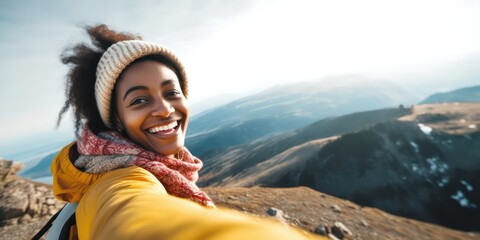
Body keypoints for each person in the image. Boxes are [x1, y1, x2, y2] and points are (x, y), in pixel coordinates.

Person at [50, 24, 325, 240]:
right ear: (116, 121)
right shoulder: (119, 179)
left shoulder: (108, 168)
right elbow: (135, 216)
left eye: (172, 92)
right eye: (139, 100)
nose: (166, 109)